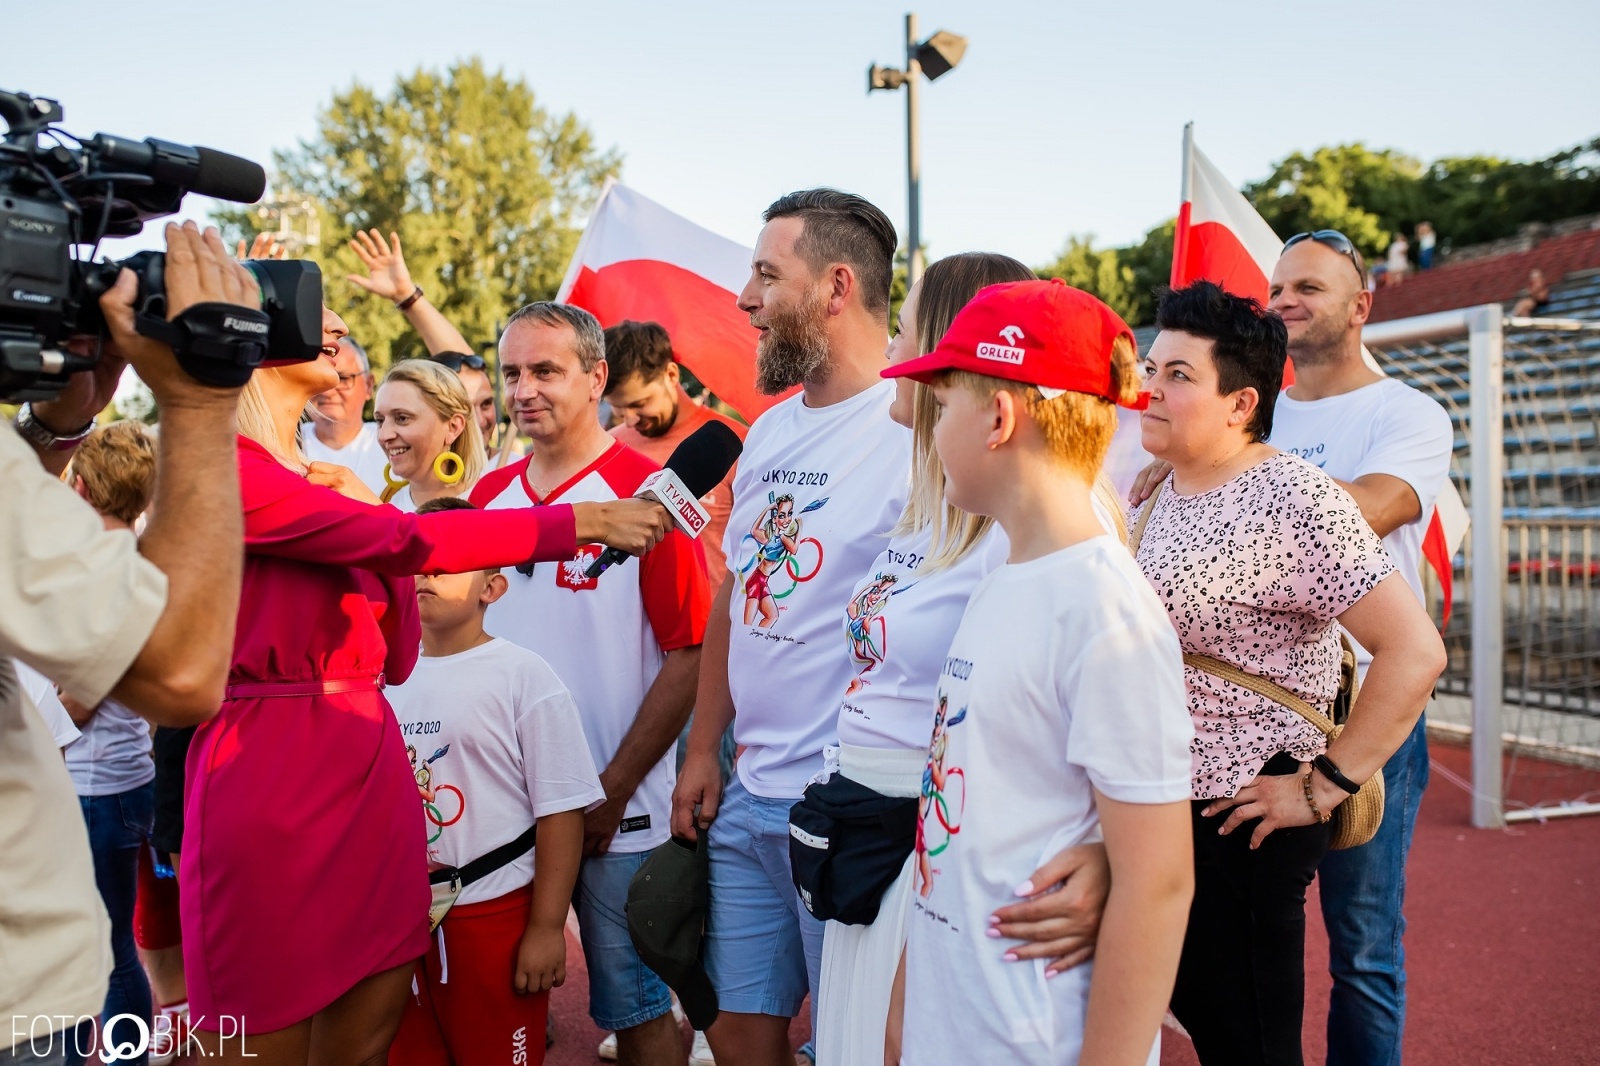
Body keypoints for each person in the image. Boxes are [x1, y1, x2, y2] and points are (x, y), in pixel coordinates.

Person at [177, 299, 675, 1066]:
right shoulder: (233, 467)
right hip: (272, 776)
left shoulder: (324, 485)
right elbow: (407, 541)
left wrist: (353, 515)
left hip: (370, 779)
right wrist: (581, 523)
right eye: (322, 330)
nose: (339, 342)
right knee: (261, 1029)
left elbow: (398, 650)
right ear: (256, 351)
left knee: (366, 1035)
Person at [1129, 232, 1454, 1064]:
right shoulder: (1163, 483)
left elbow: (1415, 652)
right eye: (1152, 369)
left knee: (1254, 1042)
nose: (1150, 390)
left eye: (1177, 375)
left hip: (1246, 816)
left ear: (1240, 403)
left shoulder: (1292, 498)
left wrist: (1323, 788)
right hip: (1163, 801)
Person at [811, 254, 1120, 1066]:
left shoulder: (1040, 541)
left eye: (908, 335)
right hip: (877, 849)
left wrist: (1105, 853)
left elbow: (1105, 722)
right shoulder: (934, 508)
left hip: (945, 857)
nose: (889, 361)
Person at [880, 277, 1195, 1066]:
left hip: (1031, 1038)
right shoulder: (1004, 580)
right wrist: (903, 1016)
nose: (931, 426)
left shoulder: (1103, 609)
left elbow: (1158, 885)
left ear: (998, 417)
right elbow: (950, 826)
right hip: (956, 1024)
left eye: (944, 405)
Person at [670, 189, 912, 1066]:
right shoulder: (767, 432)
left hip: (852, 809)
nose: (745, 297)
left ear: (837, 286)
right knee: (736, 1038)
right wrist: (704, 750)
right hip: (747, 796)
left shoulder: (915, 433)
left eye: (768, 275)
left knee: (855, 1047)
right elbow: (735, 594)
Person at [2, 222, 252, 1066]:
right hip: (22, 997)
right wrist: (199, 402)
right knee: (121, 950)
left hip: (100, 800)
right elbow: (181, 673)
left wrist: (51, 426)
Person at [469, 302, 711, 1066]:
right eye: (512, 372)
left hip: (620, 819)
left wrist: (608, 786)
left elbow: (692, 654)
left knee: (639, 1019)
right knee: (506, 1020)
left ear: (596, 377)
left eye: (545, 370)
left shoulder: (652, 495)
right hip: (502, 822)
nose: (524, 388)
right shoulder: (486, 499)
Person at [387, 496, 604, 1066]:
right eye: (417, 559)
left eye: (448, 559)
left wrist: (546, 928)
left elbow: (560, 810)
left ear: (493, 587)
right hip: (399, 919)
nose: (427, 572)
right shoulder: (383, 675)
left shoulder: (524, 677)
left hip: (493, 914)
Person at [57, 423, 162, 1066]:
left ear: (83, 485)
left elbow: (82, 693)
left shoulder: (115, 571)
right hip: (111, 782)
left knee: (104, 948)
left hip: (96, 786)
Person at [603, 320, 748, 580]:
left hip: (712, 617)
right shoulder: (609, 446)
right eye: (618, 408)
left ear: (671, 375)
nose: (629, 421)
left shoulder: (733, 444)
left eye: (640, 404)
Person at [374, 360, 486, 510]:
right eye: (380, 421)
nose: (384, 435)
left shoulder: (492, 503)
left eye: (402, 418)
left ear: (453, 427)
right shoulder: (385, 501)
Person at [299, 337, 390, 496]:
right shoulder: (283, 444)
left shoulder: (392, 443)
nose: (328, 391)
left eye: (342, 379)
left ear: (369, 385)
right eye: (318, 380)